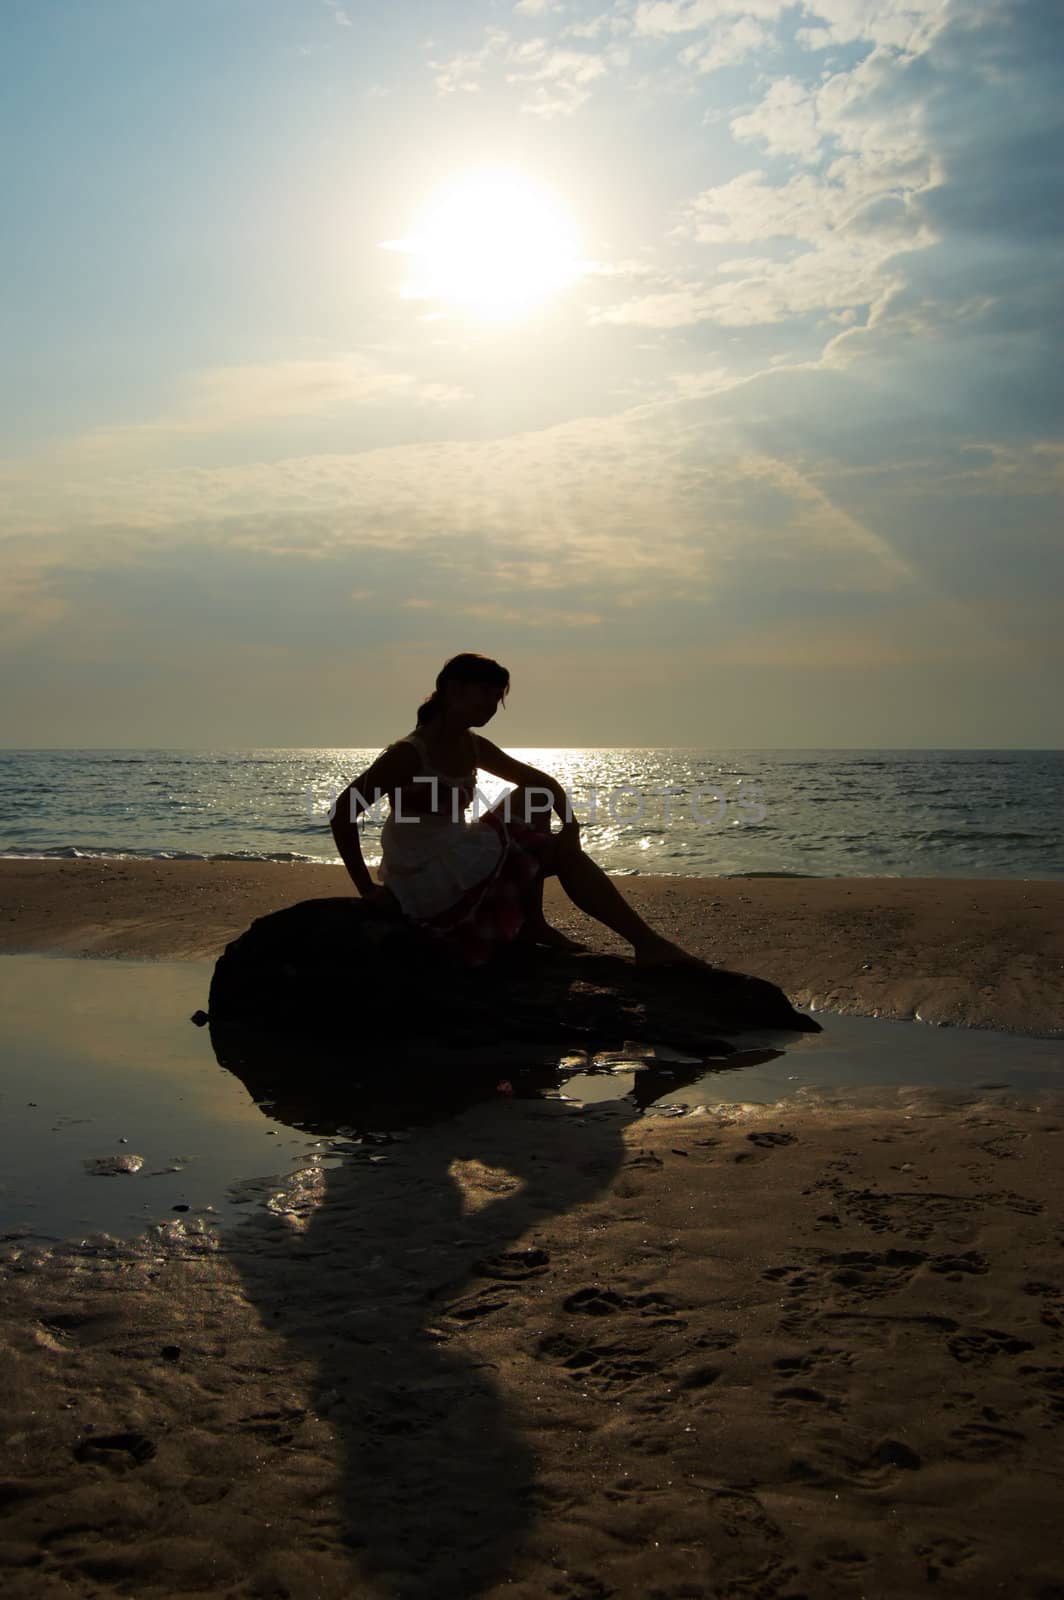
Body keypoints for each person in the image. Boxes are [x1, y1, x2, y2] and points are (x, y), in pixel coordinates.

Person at [330, 652, 705, 969]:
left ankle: (537, 923)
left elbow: (540, 782)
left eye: (497, 699)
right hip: (422, 876)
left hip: (457, 858)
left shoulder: (473, 746)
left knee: (535, 799)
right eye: (484, 696)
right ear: (453, 691)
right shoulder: (410, 754)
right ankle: (643, 943)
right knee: (548, 837)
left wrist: (571, 825)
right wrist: (366, 888)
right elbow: (344, 811)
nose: (491, 707)